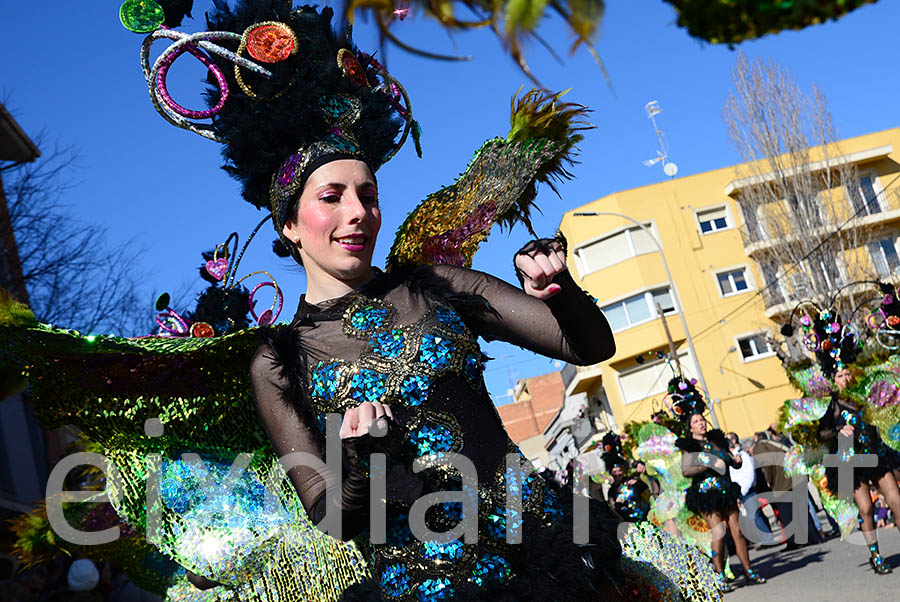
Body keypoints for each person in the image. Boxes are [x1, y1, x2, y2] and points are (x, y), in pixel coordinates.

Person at [674, 378, 765, 591]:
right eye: (696, 421)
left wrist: (735, 460)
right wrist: (707, 462)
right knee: (719, 533)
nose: (701, 423)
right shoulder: (690, 445)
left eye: (702, 420)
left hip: (726, 489)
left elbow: (728, 458)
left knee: (738, 532)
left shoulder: (716, 439)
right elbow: (686, 469)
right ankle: (719, 576)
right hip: (706, 493)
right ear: (690, 427)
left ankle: (749, 571)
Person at [819, 365, 900, 574]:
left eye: (848, 373)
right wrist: (838, 429)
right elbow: (822, 433)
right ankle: (875, 555)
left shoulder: (865, 394)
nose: (846, 378)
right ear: (833, 380)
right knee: (866, 508)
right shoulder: (832, 404)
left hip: (875, 454)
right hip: (851, 461)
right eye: (840, 375)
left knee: (896, 501)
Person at [725, 433, 773, 546]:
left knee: (755, 515)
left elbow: (750, 474)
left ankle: (767, 538)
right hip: (739, 492)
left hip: (747, 490)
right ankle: (761, 538)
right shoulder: (731, 457)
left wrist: (742, 490)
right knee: (751, 517)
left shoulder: (742, 455)